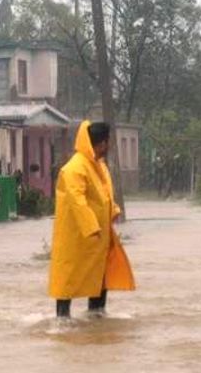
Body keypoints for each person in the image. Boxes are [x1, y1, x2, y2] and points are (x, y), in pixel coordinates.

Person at [48, 120, 135, 317]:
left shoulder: (99, 165)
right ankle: (62, 321)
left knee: (100, 278)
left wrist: (114, 210)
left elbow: (105, 193)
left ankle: (96, 317)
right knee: (67, 279)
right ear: (101, 143)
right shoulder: (74, 168)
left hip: (98, 237)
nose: (109, 147)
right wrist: (91, 226)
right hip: (77, 236)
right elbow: (77, 199)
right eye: (108, 143)